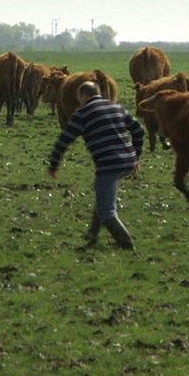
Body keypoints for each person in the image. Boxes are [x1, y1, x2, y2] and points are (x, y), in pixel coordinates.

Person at [46, 81, 144, 250]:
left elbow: (64, 140)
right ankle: (92, 234)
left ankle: (127, 245)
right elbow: (138, 130)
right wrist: (135, 155)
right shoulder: (116, 107)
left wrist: (54, 165)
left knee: (107, 212)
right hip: (127, 161)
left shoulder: (82, 113)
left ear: (82, 96)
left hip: (108, 164)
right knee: (102, 194)